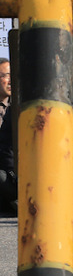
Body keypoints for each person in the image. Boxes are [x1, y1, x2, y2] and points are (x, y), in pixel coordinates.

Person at [0, 58, 15, 214]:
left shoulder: (21, 105)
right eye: (6, 75)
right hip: (4, 172)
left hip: (22, 171)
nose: (11, 81)